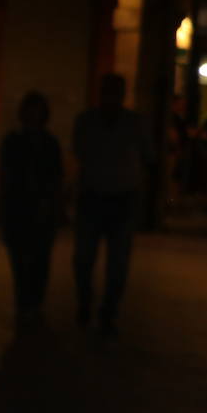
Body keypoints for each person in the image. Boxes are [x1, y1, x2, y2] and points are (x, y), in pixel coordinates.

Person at [71, 73, 153, 342]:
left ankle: (108, 311)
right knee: (84, 258)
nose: (111, 97)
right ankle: (87, 301)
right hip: (93, 196)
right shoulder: (87, 122)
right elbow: (78, 156)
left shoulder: (133, 123)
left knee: (117, 263)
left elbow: (147, 158)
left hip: (122, 198)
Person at [0, 91, 63, 331]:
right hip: (19, 207)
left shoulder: (48, 143)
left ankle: (33, 303)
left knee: (39, 259)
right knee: (21, 260)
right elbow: (6, 176)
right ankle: (25, 303)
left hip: (40, 208)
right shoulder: (15, 141)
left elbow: (56, 178)